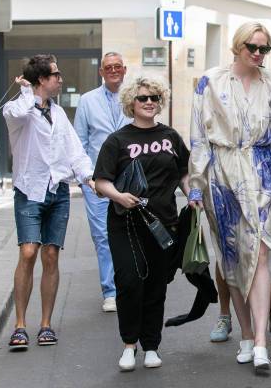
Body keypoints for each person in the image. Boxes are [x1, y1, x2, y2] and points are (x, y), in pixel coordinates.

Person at [188, 21, 271, 370]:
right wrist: (195, 183)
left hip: (263, 174)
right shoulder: (210, 81)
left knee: (261, 254)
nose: (259, 54)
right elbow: (199, 138)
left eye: (264, 49)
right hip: (222, 176)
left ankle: (262, 343)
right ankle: (247, 335)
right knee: (232, 259)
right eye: (253, 46)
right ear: (238, 45)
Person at [94, 77, 190, 371]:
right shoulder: (118, 140)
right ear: (131, 103)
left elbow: (185, 173)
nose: (150, 102)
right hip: (127, 224)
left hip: (163, 224)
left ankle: (151, 345)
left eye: (155, 98)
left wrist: (195, 196)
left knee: (156, 286)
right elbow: (100, 182)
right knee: (128, 283)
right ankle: (128, 345)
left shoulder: (171, 136)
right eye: (143, 98)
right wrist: (119, 197)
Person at [2, 54, 94, 350]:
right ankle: (19, 326)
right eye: (55, 74)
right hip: (29, 189)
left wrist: (90, 178)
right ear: (42, 79)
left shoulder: (59, 114)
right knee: (28, 252)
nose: (60, 79)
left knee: (51, 256)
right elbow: (15, 113)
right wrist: (27, 91)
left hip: (58, 191)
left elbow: (74, 150)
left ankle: (44, 325)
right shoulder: (18, 109)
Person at [74, 52, 130, 313]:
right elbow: (79, 143)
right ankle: (110, 290)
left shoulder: (134, 97)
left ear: (124, 69)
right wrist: (86, 180)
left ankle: (129, 285)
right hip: (98, 181)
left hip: (129, 179)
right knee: (103, 236)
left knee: (129, 233)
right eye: (109, 67)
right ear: (101, 72)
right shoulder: (87, 101)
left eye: (118, 66)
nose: (113, 70)